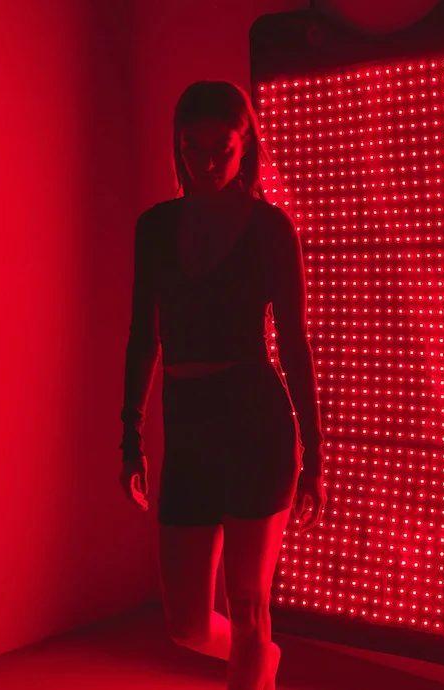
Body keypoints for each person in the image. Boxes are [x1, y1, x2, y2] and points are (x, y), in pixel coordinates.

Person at [117, 80, 328, 690]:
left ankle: (253, 657)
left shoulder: (269, 228)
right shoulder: (155, 228)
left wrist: (315, 453)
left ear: (246, 147)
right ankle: (261, 661)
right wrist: (130, 437)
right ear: (176, 147)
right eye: (193, 147)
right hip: (186, 430)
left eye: (222, 147)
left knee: (248, 607)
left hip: (254, 422)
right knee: (185, 623)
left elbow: (294, 344)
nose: (207, 161)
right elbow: (142, 336)